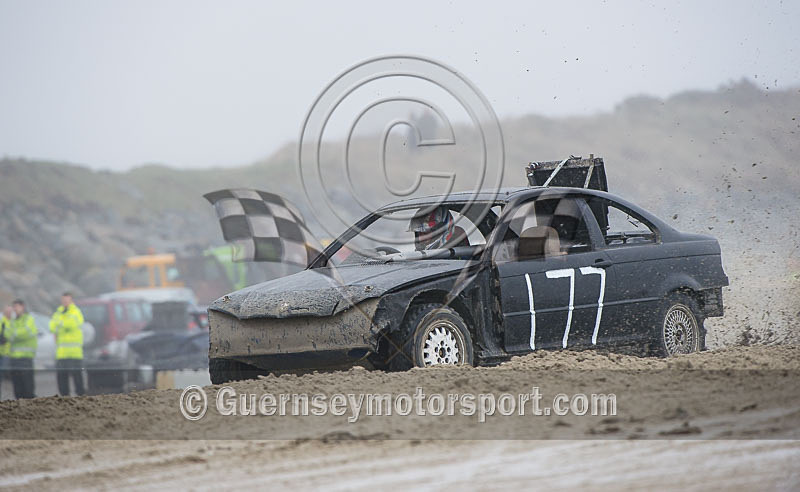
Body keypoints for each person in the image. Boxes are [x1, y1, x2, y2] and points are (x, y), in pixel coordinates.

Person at [50, 292, 85, 396]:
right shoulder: (58, 312)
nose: (65, 302)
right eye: (63, 300)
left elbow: (71, 324)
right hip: (61, 354)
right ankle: (64, 399)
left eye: (67, 300)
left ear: (71, 300)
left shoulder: (76, 312)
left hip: (74, 354)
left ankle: (81, 398)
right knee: (62, 380)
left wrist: (60, 324)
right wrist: (62, 325)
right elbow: (51, 326)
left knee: (78, 379)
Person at [8, 299, 37, 399]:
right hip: (14, 359)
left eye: (17, 306)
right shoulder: (13, 321)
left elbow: (25, 333)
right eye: (14, 307)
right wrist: (14, 334)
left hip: (26, 359)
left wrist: (14, 335)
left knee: (28, 389)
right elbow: (7, 333)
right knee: (17, 389)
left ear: (23, 307)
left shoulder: (29, 319)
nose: (15, 309)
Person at [0, 306, 12, 399]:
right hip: (3, 353)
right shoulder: (2, 322)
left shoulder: (13, 322)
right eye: (7, 311)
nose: (9, 313)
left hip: (11, 353)